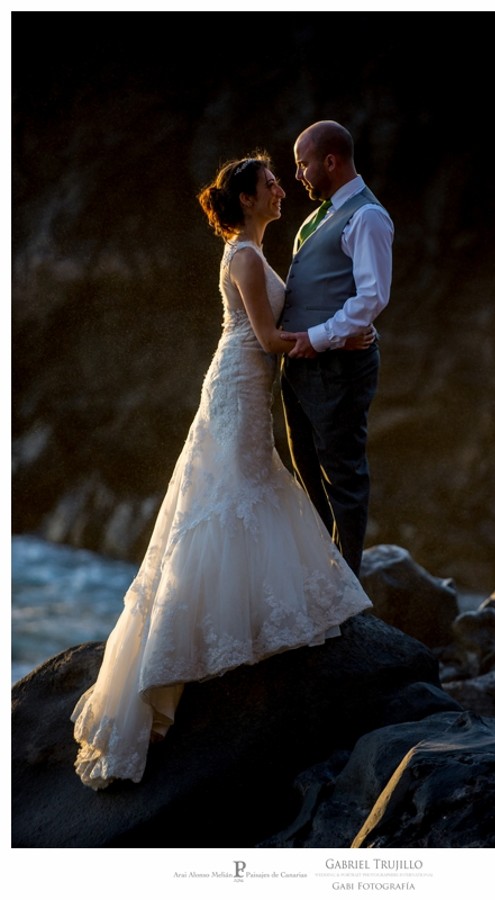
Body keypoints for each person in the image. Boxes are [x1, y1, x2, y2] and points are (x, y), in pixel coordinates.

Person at [70, 152, 374, 791]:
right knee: (234, 495)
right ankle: (200, 640)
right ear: (244, 199)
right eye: (269, 183)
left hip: (246, 385)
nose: (279, 189)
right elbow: (265, 339)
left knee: (249, 489)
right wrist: (341, 338)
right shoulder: (242, 255)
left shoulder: (258, 251)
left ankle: (243, 622)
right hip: (238, 383)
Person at [280, 120, 394, 577]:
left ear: (330, 161)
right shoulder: (317, 217)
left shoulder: (367, 217)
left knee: (342, 478)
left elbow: (372, 297)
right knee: (307, 471)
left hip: (338, 367)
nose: (299, 175)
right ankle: (320, 574)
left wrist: (318, 338)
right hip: (302, 370)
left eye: (303, 164)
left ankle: (344, 585)